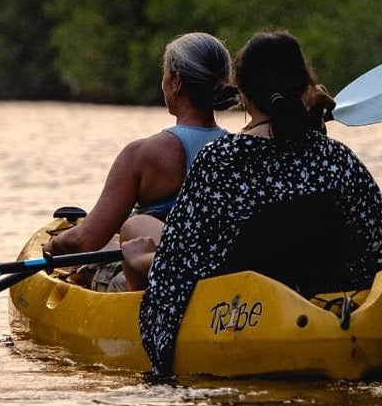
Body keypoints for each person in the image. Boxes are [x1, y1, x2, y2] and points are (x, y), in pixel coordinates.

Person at [138, 30, 382, 377]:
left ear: (242, 94)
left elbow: (174, 270)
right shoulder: (335, 158)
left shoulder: (220, 160)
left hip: (249, 319)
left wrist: (158, 362)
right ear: (304, 85)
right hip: (337, 313)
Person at [44, 32, 237, 289]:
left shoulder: (143, 153)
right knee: (118, 242)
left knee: (86, 263)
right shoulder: (238, 149)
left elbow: (85, 241)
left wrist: (52, 247)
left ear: (175, 81)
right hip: (215, 274)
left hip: (154, 281)